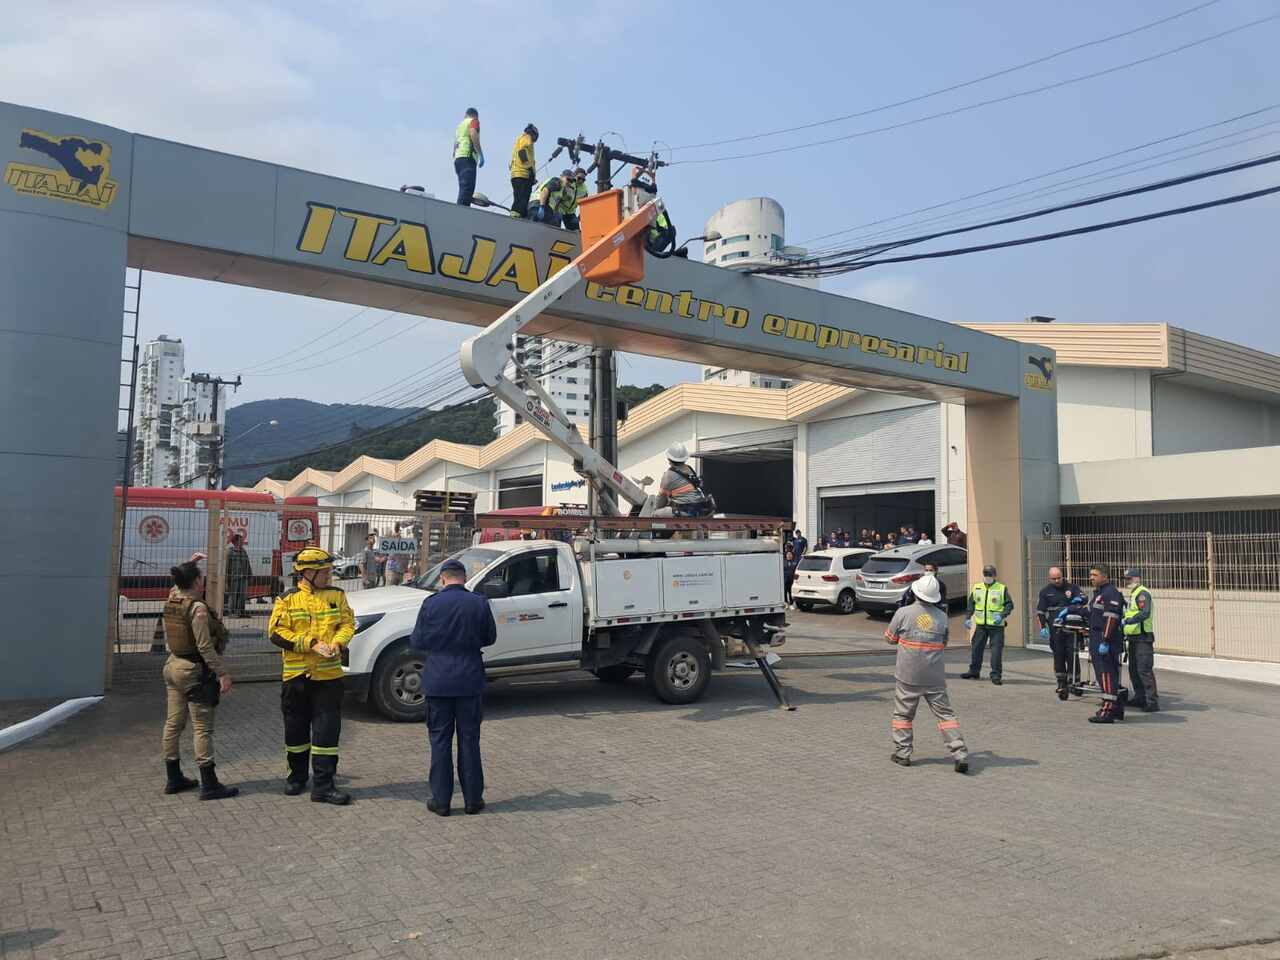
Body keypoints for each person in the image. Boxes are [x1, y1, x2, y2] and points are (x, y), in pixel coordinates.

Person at [267, 548, 356, 804]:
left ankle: (323, 786)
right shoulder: (287, 599)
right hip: (296, 678)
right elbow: (276, 633)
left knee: (326, 734)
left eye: (329, 570)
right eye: (324, 571)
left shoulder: (336, 596)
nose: (329, 575)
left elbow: (347, 624)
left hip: (329, 678)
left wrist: (338, 643)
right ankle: (296, 777)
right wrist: (311, 643)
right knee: (295, 732)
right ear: (307, 573)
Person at [409, 558, 497, 816]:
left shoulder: (431, 603)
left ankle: (441, 800)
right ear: (463, 577)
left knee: (440, 741)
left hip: (438, 680)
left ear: (443, 579)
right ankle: (472, 800)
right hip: (470, 679)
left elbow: (417, 641)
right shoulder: (479, 602)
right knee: (470, 741)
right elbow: (489, 637)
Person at [160, 560, 238, 800]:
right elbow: (205, 646)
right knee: (202, 728)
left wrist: (190, 564)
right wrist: (222, 673)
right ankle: (209, 783)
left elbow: (177, 584)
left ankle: (174, 778)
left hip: (172, 666)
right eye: (200, 576)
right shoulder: (197, 609)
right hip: (193, 670)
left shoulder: (173, 599)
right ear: (196, 582)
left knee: (173, 724)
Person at [885, 574, 968, 773]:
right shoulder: (942, 617)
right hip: (934, 676)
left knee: (903, 715)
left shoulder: (903, 613)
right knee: (946, 715)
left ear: (915, 592)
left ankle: (903, 753)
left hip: (908, 675)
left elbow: (889, 638)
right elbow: (944, 642)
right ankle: (960, 753)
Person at [1036, 566, 1085, 700]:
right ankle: (1061, 683)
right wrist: (1042, 627)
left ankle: (1075, 683)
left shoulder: (1072, 587)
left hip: (1072, 628)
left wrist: (1078, 601)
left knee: (1072, 655)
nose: (1057, 580)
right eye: (1054, 579)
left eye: (1059, 578)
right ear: (1049, 578)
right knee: (1059, 656)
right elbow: (1040, 611)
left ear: (1062, 576)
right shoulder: (1045, 592)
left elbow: (1083, 598)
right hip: (1056, 629)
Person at [1086, 564, 1127, 724]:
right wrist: (1070, 610)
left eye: (1094, 575)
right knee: (1105, 675)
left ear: (1104, 576)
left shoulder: (1110, 593)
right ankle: (1115, 708)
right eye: (1091, 575)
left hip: (1105, 639)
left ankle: (1107, 712)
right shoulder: (1099, 593)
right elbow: (1091, 612)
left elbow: (1111, 618)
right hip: (1097, 636)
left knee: (1106, 675)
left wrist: (1105, 640)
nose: (1091, 578)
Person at [962, 564, 1014, 684]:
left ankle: (996, 675)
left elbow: (1009, 605)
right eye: (985, 574)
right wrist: (968, 617)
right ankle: (974, 671)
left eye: (990, 574)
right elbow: (971, 604)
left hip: (996, 626)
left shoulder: (1001, 588)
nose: (987, 576)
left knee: (996, 652)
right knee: (976, 649)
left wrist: (1002, 615)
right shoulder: (977, 588)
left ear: (994, 575)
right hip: (981, 625)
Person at [1122, 567, 1159, 712]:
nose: (1127, 582)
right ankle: (1140, 698)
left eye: (1130, 579)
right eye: (1126, 579)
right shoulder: (1134, 593)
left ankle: (1152, 701)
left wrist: (1128, 621)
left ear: (1137, 578)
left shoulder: (1142, 593)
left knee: (1144, 670)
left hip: (1143, 637)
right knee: (1134, 669)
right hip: (1134, 637)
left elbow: (1144, 613)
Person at [651, 442, 716, 517]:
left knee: (655, 515)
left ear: (669, 459)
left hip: (685, 512)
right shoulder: (689, 469)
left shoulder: (668, 475)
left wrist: (656, 509)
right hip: (701, 510)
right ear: (684, 458)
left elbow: (661, 500)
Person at [452, 107, 482, 206]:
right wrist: (480, 153)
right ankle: (462, 212)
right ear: (475, 115)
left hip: (458, 159)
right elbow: (473, 133)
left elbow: (456, 143)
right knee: (467, 188)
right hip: (467, 157)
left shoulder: (460, 126)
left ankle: (461, 209)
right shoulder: (473, 121)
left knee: (463, 187)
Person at [508, 122, 538, 219]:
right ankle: (516, 217)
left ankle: (520, 216)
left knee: (520, 198)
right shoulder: (526, 137)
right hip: (522, 174)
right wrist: (529, 169)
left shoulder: (520, 139)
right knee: (522, 198)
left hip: (518, 174)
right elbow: (522, 152)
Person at [224, 532, 251, 617]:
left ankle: (241, 612)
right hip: (234, 578)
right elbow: (227, 566)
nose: (242, 542)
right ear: (235, 542)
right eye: (241, 540)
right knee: (233, 595)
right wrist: (226, 579)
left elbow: (247, 564)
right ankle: (231, 612)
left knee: (242, 596)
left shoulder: (243, 551)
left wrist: (249, 575)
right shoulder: (230, 552)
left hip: (243, 578)